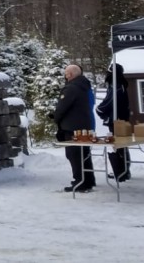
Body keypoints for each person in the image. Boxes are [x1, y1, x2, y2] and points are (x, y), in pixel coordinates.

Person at [53, 64, 95, 192]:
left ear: (70, 74)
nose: (65, 76)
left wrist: (55, 116)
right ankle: (88, 180)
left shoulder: (71, 88)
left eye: (66, 73)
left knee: (74, 155)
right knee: (84, 154)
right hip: (85, 125)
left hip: (72, 126)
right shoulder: (85, 86)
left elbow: (63, 106)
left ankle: (79, 181)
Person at [95, 64, 130, 182]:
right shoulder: (120, 85)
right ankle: (124, 170)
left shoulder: (116, 86)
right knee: (121, 145)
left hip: (117, 119)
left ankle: (121, 171)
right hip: (121, 118)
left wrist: (99, 109)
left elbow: (109, 101)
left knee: (119, 145)